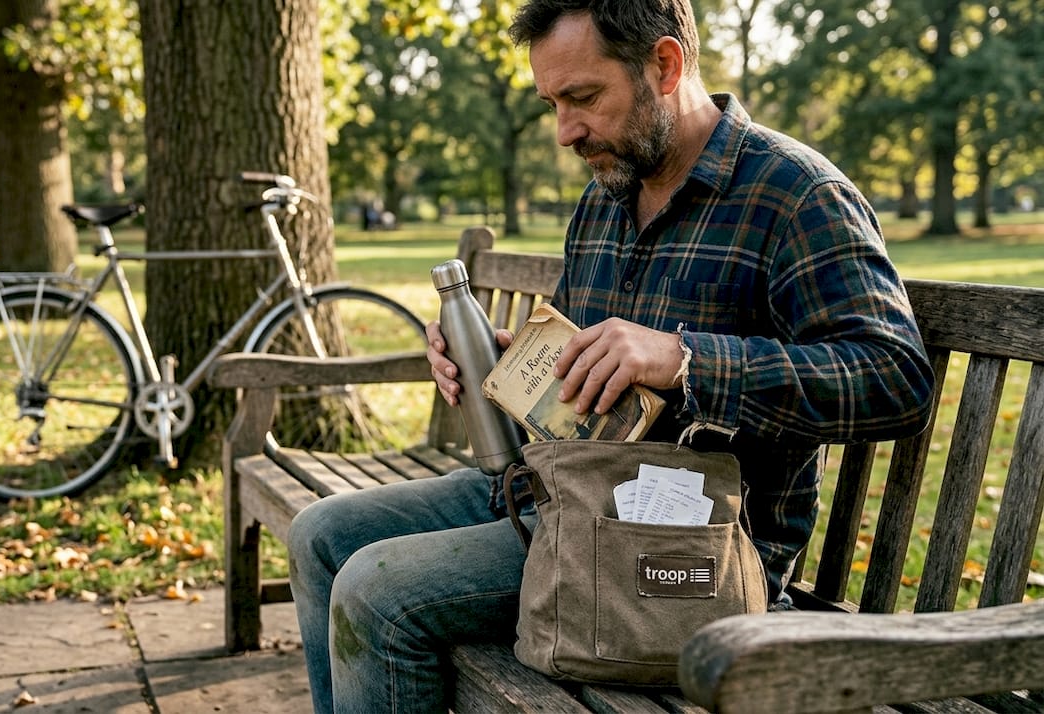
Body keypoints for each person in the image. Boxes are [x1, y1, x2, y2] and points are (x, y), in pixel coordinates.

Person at [286, 1, 936, 712]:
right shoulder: (607, 195)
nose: (566, 130)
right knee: (322, 535)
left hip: (678, 547)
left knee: (377, 590)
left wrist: (685, 359)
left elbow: (893, 379)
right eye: (552, 104)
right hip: (562, 491)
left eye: (584, 97)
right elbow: (583, 360)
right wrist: (506, 363)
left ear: (664, 64)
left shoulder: (797, 195)